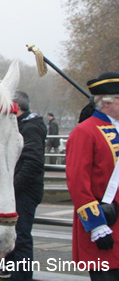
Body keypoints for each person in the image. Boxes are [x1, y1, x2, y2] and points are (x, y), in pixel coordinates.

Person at [66, 72, 119, 280]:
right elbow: (78, 183)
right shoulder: (85, 132)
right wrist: (96, 225)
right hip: (104, 223)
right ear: (108, 102)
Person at [0, 91, 46, 280]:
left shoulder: (30, 127)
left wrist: (13, 186)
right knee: (14, 230)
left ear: (15, 107)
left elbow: (33, 162)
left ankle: (22, 276)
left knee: (21, 234)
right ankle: (10, 267)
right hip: (19, 187)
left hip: (24, 190)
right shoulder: (23, 124)